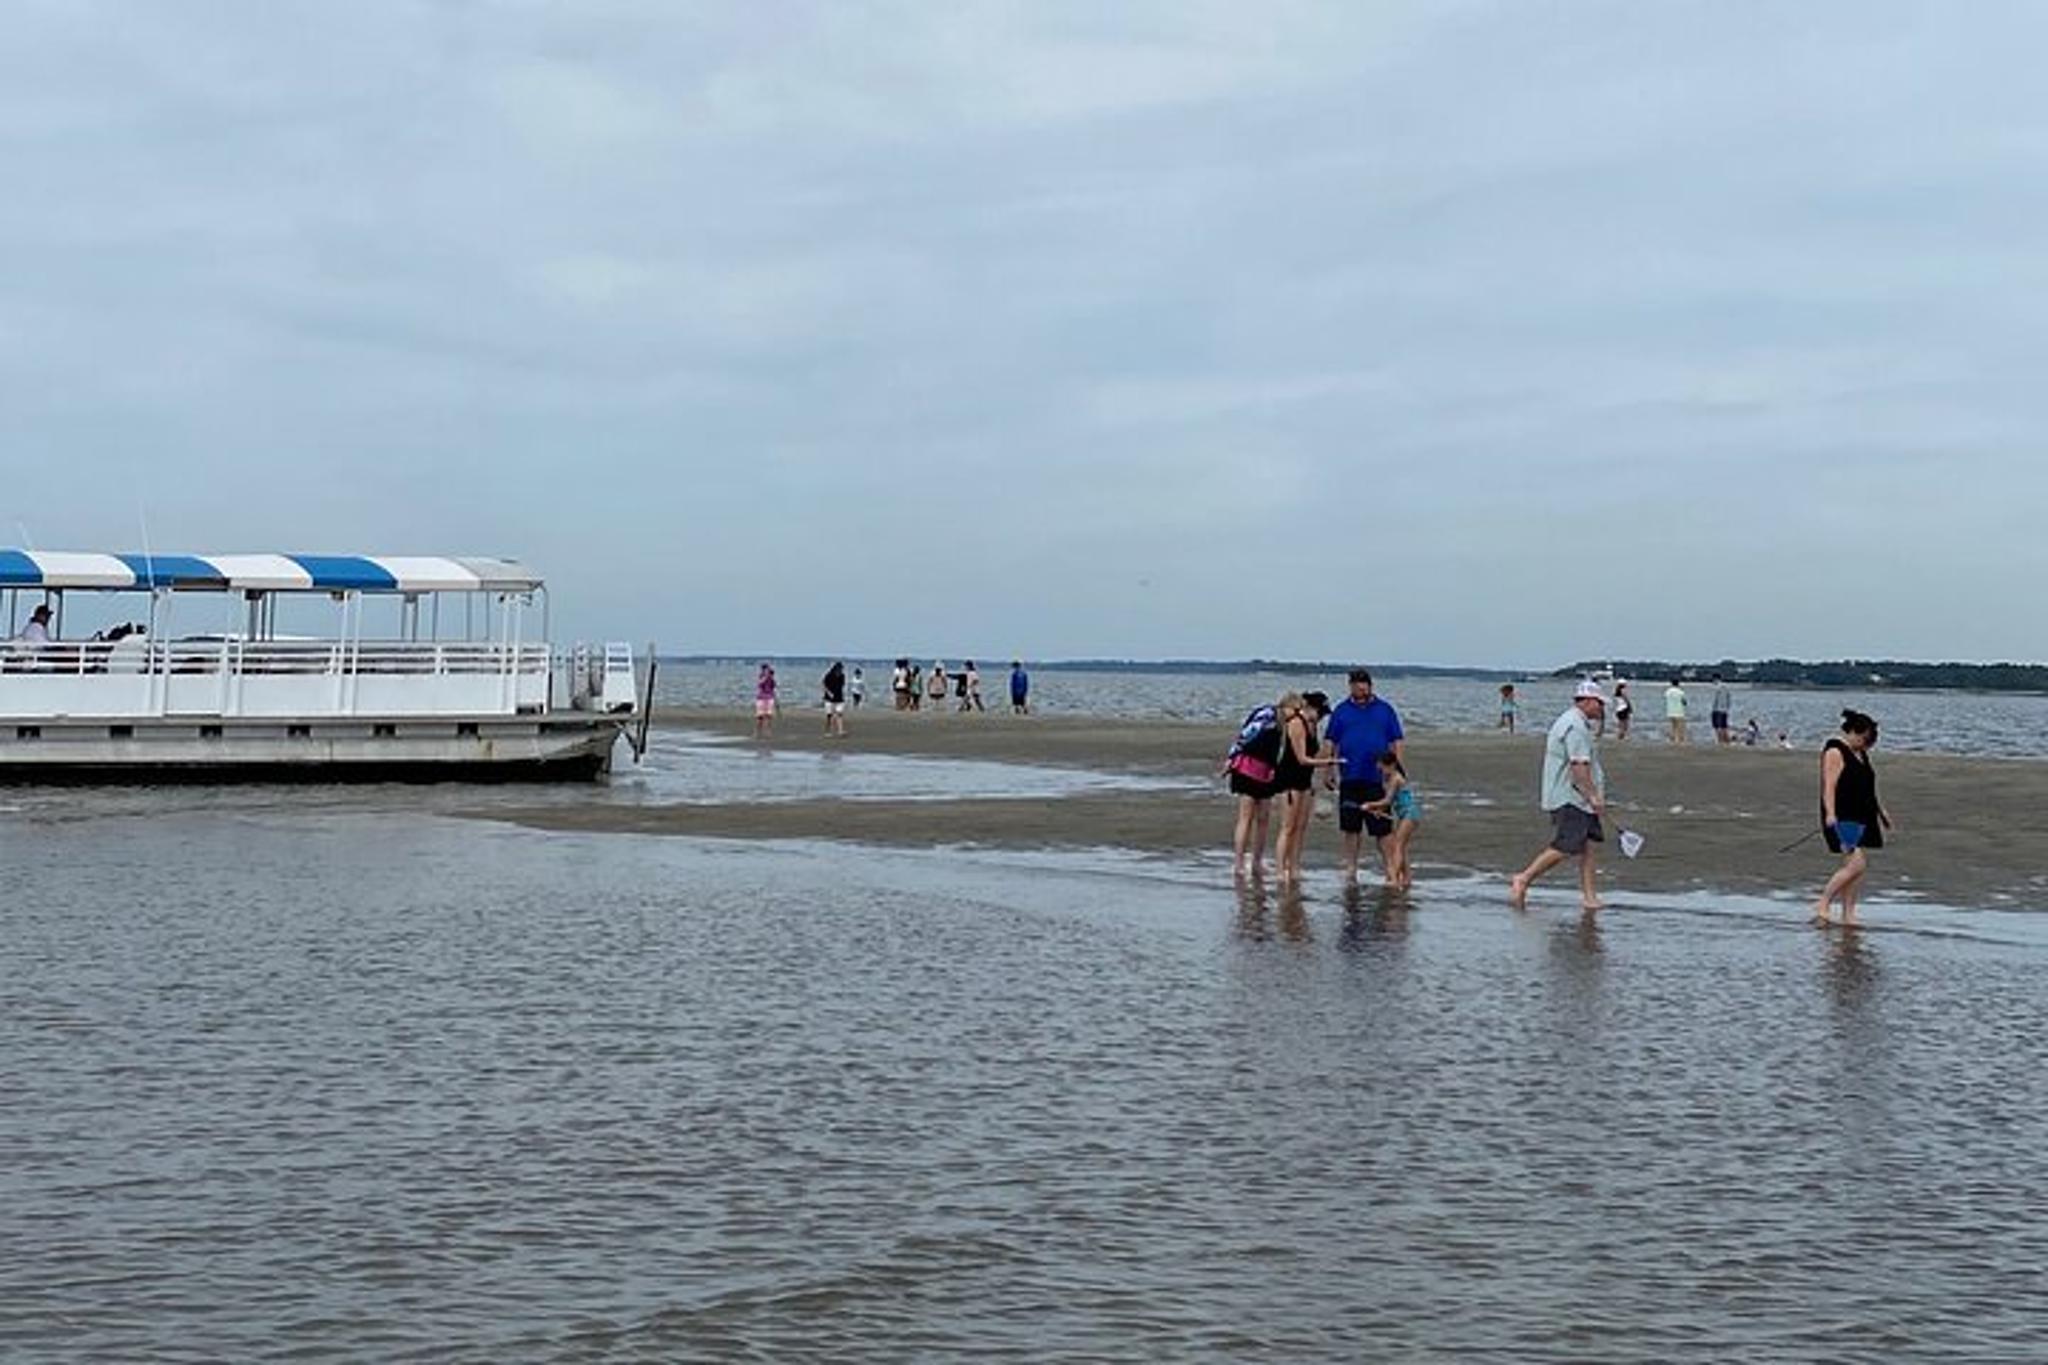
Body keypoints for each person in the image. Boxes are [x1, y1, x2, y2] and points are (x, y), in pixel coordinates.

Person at [1509, 679, 1609, 913]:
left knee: (1588, 845)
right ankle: (1524, 878)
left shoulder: (1577, 723)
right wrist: (1593, 796)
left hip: (1578, 797)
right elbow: (1578, 767)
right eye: (1598, 703)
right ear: (1585, 701)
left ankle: (1589, 896)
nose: (1601, 708)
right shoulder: (1574, 726)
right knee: (1566, 845)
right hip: (1570, 797)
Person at [1322, 668, 1406, 884]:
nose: (1361, 688)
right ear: (1350, 686)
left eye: (1364, 685)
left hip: (1376, 778)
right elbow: (1331, 741)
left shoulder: (1385, 710)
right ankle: (1351, 868)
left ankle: (1390, 868)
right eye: (1356, 685)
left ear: (1370, 686)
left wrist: (1396, 769)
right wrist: (1328, 769)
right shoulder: (1341, 711)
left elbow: (1396, 740)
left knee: (1382, 829)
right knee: (1351, 827)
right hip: (1350, 776)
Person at [1814, 709, 1892, 926]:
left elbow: (1867, 787)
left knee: (1855, 872)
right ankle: (1823, 902)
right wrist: (1830, 814)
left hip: (1862, 815)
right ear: (1854, 733)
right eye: (1865, 739)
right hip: (1842, 815)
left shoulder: (1861, 753)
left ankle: (1848, 914)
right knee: (1857, 864)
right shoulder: (1835, 751)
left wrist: (1881, 812)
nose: (1867, 745)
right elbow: (1829, 786)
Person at [1272, 691, 1337, 884]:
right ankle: (1280, 869)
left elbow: (1314, 755)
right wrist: (1329, 761)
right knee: (1288, 827)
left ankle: (1294, 867)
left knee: (1301, 827)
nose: (1321, 717)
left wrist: (1328, 755)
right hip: (1289, 780)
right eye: (1320, 713)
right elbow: (1302, 759)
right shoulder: (1296, 723)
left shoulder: (1312, 726)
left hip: (1304, 781)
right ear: (1309, 707)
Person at [1223, 699, 1285, 878]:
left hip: (1266, 772)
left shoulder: (1285, 725)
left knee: (1264, 818)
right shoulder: (1267, 716)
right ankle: (1239, 863)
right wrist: (1231, 757)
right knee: (1246, 817)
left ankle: (1257, 861)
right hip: (1246, 768)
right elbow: (1245, 736)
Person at [1362, 750, 1421, 890]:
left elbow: (1387, 801)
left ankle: (1394, 879)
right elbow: (1391, 801)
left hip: (1410, 814)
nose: (1381, 771)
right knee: (1402, 847)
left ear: (1392, 765)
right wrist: (1379, 811)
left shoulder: (1396, 778)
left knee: (1397, 846)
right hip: (1403, 815)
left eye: (1382, 767)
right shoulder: (1388, 778)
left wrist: (1370, 805)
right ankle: (1406, 878)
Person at [821, 660, 848, 738]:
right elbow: (823, 684)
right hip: (829, 698)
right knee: (829, 715)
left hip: (839, 698)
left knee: (839, 714)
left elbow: (842, 686)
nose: (840, 671)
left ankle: (840, 731)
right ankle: (827, 731)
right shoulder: (829, 675)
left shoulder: (842, 676)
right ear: (836, 669)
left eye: (841, 669)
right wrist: (829, 692)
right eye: (839, 669)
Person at [753, 662, 778, 739]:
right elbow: (760, 684)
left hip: (769, 697)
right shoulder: (761, 677)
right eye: (764, 669)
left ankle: (768, 733)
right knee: (760, 717)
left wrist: (776, 700)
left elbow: (773, 687)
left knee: (768, 716)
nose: (766, 671)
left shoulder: (771, 678)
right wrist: (766, 677)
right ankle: (757, 733)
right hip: (761, 698)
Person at [1711, 674, 1734, 746]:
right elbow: (1729, 699)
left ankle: (1720, 742)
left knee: (1718, 727)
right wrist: (1727, 708)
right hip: (1725, 710)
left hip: (1717, 709)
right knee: (1724, 727)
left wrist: (1713, 709)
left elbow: (1715, 700)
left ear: (1715, 679)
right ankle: (1727, 742)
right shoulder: (1726, 687)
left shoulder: (1716, 688)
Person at [1664, 678, 1688, 745]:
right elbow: (1684, 702)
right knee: (1679, 727)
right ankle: (1678, 740)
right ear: (1678, 684)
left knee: (1673, 726)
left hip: (1670, 711)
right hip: (1679, 711)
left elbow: (1666, 698)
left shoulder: (1668, 691)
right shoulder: (1680, 692)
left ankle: (1673, 739)